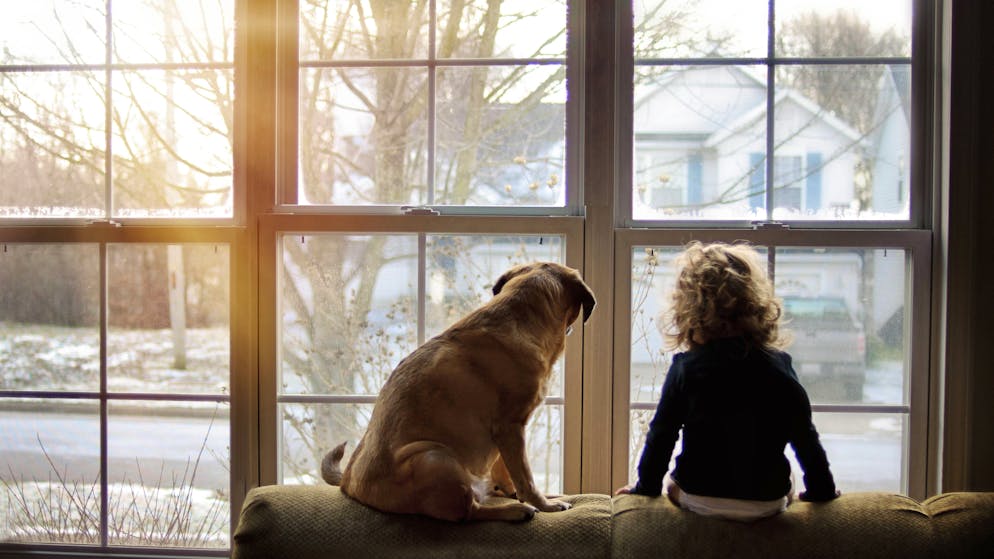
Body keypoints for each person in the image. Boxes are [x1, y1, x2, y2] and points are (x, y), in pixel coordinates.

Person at [616, 241, 840, 521]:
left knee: (673, 484)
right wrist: (822, 490)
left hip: (699, 495)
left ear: (689, 311)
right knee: (789, 480)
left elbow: (662, 434)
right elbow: (805, 437)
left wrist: (645, 488)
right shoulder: (779, 366)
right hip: (766, 499)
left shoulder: (686, 368)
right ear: (756, 305)